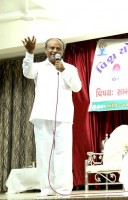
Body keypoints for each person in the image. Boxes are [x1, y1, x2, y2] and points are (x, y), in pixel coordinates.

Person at [21, 36, 82, 197]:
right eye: (51, 48)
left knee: (63, 153)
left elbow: (77, 87)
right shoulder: (39, 67)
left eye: (58, 48)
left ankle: (62, 189)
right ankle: (46, 188)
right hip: (42, 115)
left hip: (63, 116)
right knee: (43, 153)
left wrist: (64, 71)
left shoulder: (70, 68)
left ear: (62, 51)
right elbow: (27, 72)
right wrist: (29, 53)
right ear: (45, 50)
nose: (54, 50)